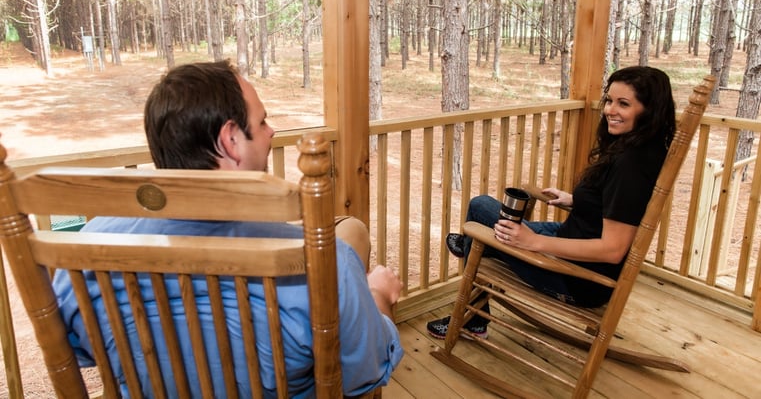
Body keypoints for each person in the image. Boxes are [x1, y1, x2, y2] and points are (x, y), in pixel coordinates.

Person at [53, 61, 404, 398]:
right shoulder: (326, 264)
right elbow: (365, 373)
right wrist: (378, 297)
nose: (271, 132)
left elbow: (81, 351)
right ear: (231, 140)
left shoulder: (82, 256)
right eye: (263, 122)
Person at [428, 66, 676, 340]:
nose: (609, 110)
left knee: (480, 212)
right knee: (484, 215)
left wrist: (534, 243)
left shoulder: (632, 167)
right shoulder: (640, 149)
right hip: (569, 241)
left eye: (624, 104)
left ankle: (471, 295)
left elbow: (613, 249)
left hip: (576, 277)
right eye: (610, 100)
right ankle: (474, 281)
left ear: (648, 110)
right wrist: (576, 199)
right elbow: (618, 206)